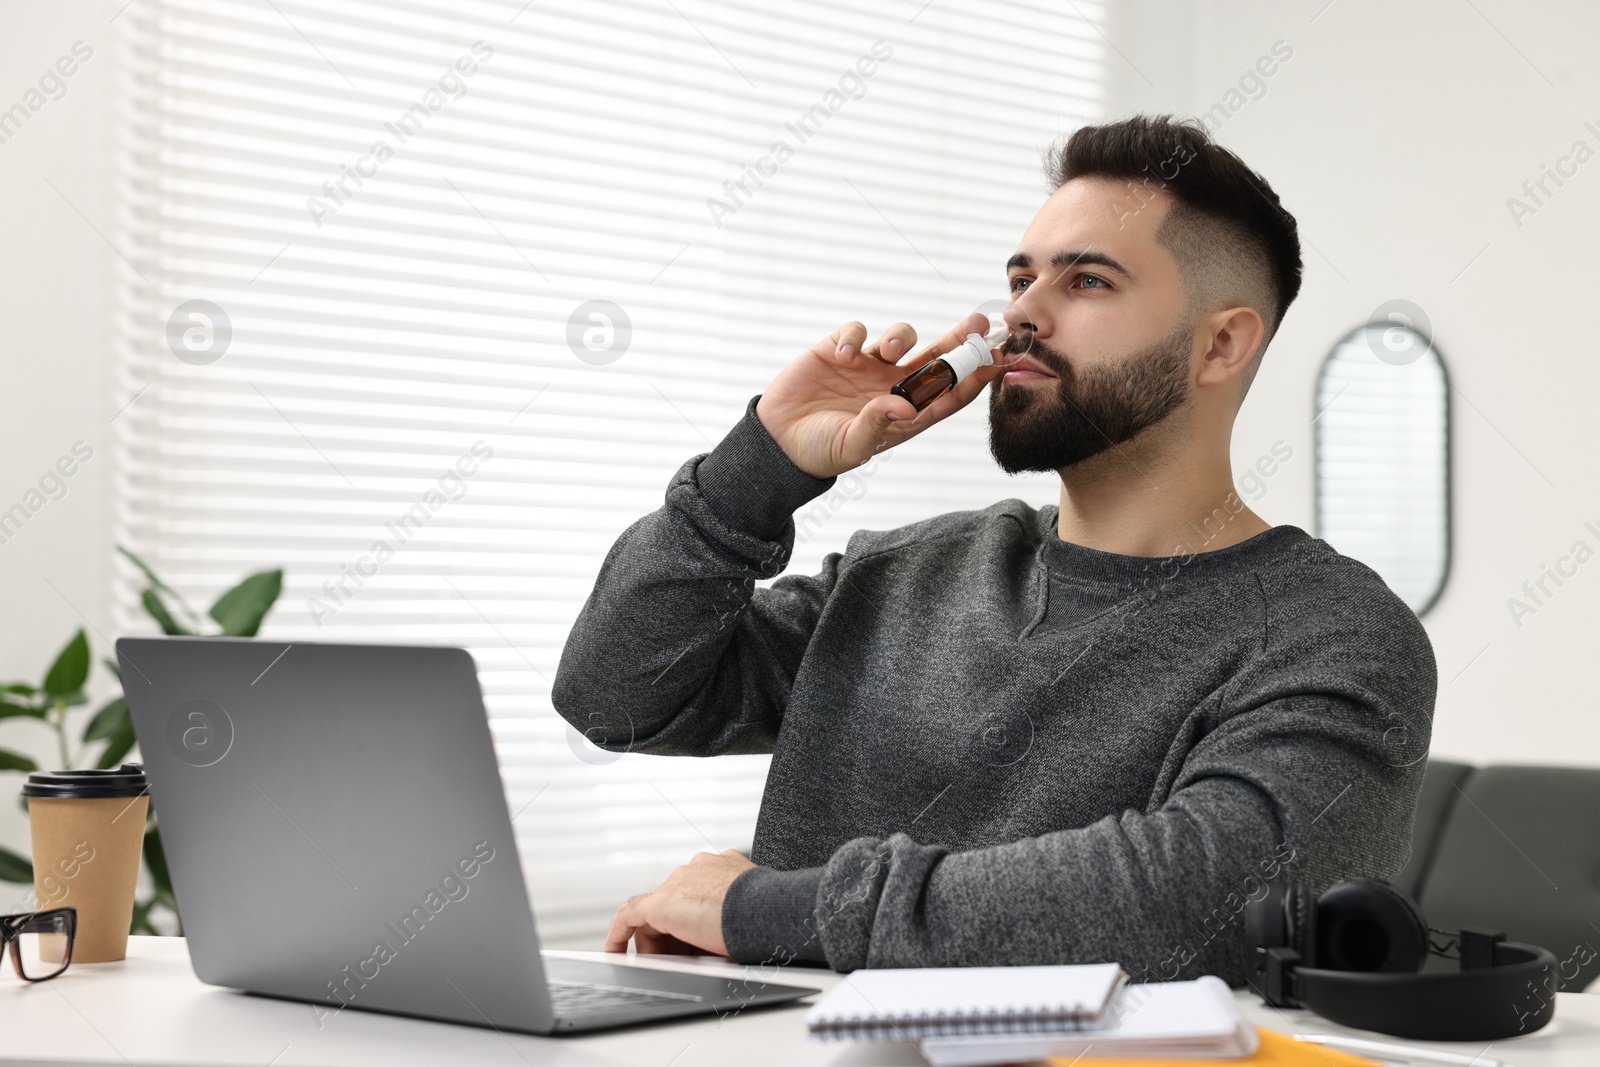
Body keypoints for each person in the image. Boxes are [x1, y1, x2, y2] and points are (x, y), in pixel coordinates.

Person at [550, 114, 1436, 984]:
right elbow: (613, 695)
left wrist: (767, 913)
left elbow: (1206, 899)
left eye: (1085, 283)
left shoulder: (1336, 635)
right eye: (1021, 278)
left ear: (1221, 343)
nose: (1018, 316)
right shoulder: (901, 575)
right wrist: (764, 465)